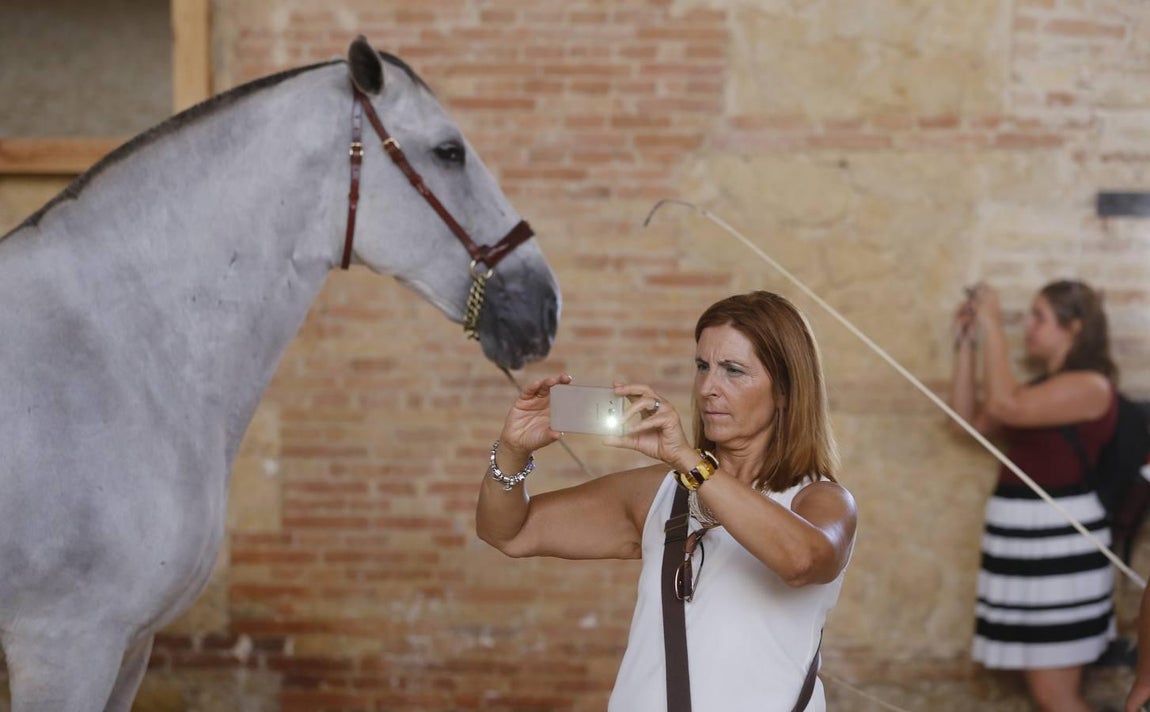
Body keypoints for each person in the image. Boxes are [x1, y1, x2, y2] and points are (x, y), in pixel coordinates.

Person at [476, 290, 857, 712]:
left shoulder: (822, 500)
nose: (708, 388)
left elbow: (802, 560)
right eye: (702, 366)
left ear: (785, 390)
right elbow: (510, 531)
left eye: (733, 370)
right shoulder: (663, 491)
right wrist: (512, 451)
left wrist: (690, 462)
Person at [949, 280, 1119, 712]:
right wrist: (967, 345)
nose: (1029, 326)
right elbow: (964, 422)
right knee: (1044, 693)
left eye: (1039, 317)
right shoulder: (1038, 387)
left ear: (1074, 328)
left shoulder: (1090, 385)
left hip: (1061, 542)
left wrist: (991, 320)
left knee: (1054, 696)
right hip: (1026, 543)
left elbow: (1006, 407)